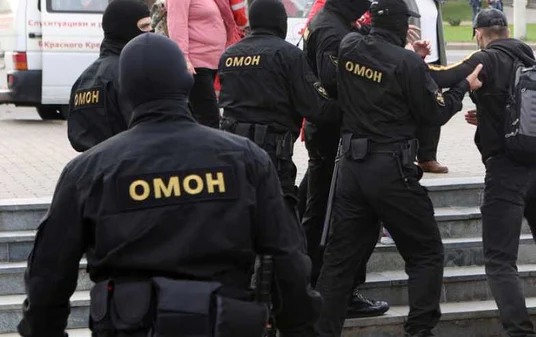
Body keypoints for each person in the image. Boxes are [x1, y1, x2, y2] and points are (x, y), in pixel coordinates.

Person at [17, 33, 321, 337]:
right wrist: (301, 328)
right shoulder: (247, 160)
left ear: (125, 92)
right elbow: (287, 261)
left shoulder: (88, 172)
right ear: (187, 83)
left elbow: (49, 277)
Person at [313, 0, 482, 336]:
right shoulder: (405, 62)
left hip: (352, 168)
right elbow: (434, 112)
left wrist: (411, 60)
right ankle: (419, 330)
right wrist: (465, 86)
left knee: (339, 259)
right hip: (391, 169)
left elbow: (377, 71)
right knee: (425, 252)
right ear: (400, 23)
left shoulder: (350, 45)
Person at [430, 8, 536, 337]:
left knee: (500, 261)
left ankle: (519, 331)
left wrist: (414, 59)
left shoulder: (487, 58)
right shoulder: (530, 59)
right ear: (507, 28)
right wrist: (485, 115)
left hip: (506, 173)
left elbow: (441, 76)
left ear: (478, 33)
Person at [301, 0, 390, 318]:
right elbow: (334, 81)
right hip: (335, 133)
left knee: (318, 206)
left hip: (331, 129)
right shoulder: (330, 29)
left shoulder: (336, 22)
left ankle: (317, 284)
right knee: (331, 215)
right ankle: (333, 289)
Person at [218, 0, 339, 217]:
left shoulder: (229, 55)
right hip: (272, 155)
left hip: (232, 153)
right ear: (280, 23)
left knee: (239, 215)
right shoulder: (287, 55)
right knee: (281, 221)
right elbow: (316, 107)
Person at [66, 0, 151, 152]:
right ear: (125, 28)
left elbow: (76, 135)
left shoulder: (83, 80)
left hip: (91, 166)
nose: (151, 32)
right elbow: (146, 130)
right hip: (128, 165)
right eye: (144, 26)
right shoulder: (130, 74)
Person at [167, 0, 239, 128]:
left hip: (214, 64)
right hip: (196, 66)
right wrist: (183, 59)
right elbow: (177, 24)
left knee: (205, 119)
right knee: (209, 119)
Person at [415, 0, 449, 173]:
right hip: (410, 60)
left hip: (433, 61)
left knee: (434, 106)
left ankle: (427, 157)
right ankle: (406, 156)